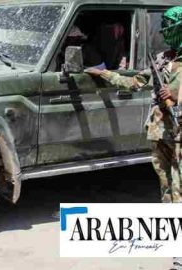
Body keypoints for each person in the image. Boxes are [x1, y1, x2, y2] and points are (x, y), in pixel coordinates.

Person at [86, 7, 182, 269]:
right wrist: (103, 74)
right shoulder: (162, 59)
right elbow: (134, 83)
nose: (167, 32)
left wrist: (174, 99)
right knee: (166, 189)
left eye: (172, 26)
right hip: (160, 133)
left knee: (179, 189)